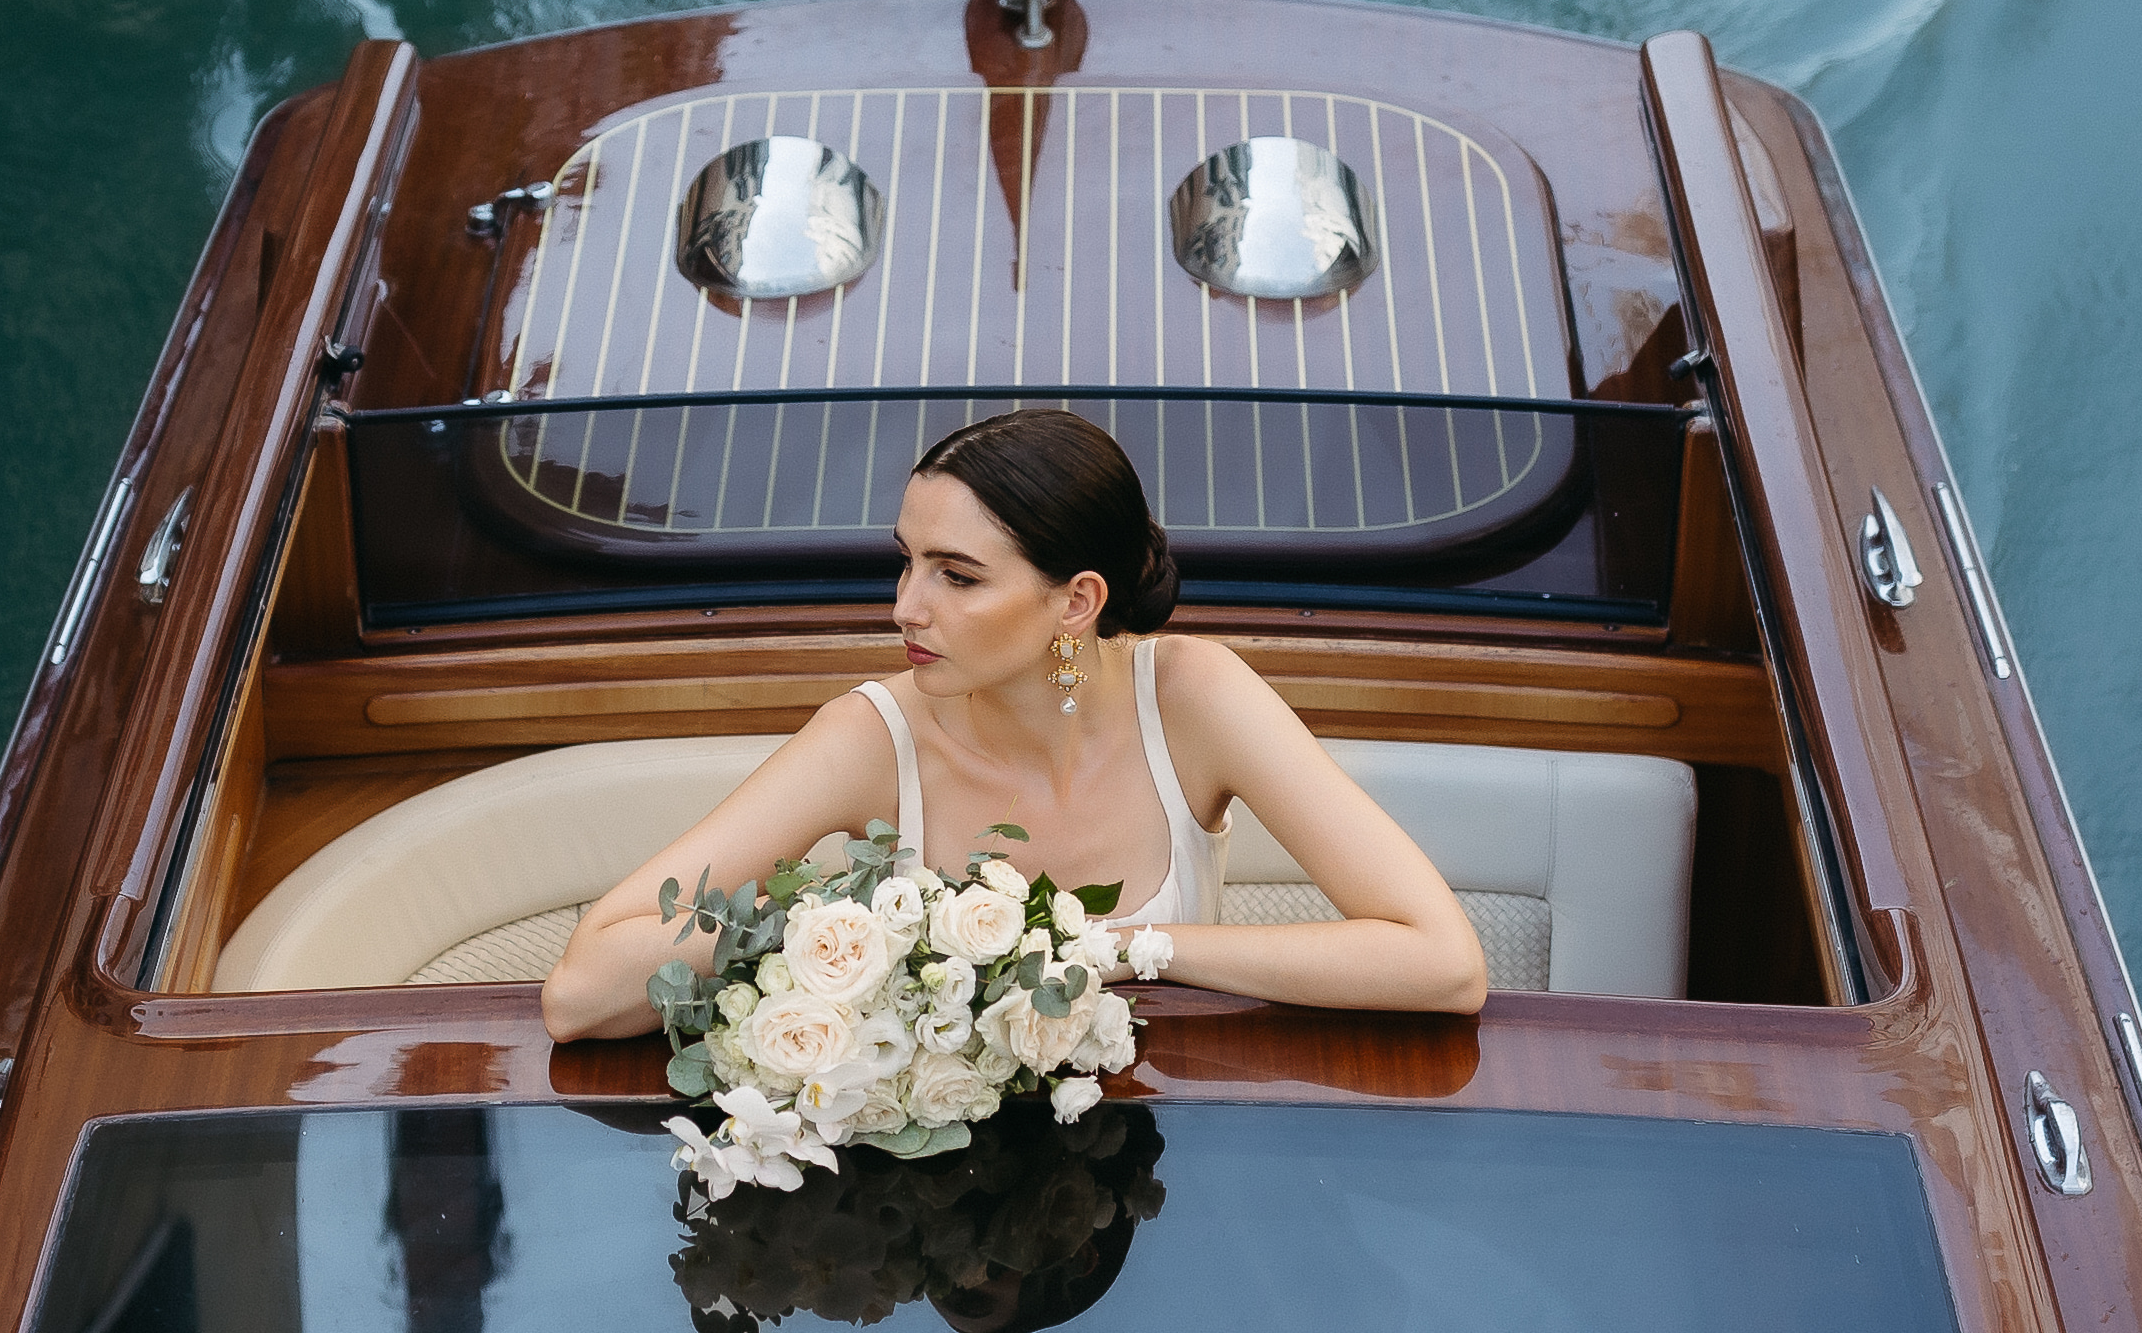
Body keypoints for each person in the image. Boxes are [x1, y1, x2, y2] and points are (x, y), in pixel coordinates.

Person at [542, 408, 1491, 1039]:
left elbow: (1443, 964)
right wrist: (873, 931)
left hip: (1171, 1139)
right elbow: (581, 993)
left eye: (957, 576)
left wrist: (1124, 952)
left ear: (1076, 601)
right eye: (907, 562)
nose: (907, 607)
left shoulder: (1197, 697)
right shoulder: (871, 735)